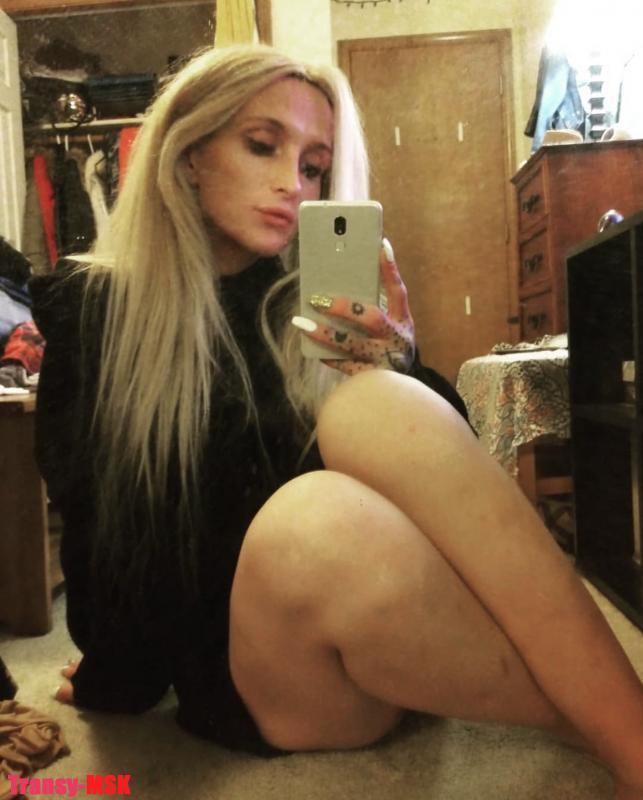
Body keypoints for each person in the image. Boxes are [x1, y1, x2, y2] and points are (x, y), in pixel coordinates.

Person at [30, 44, 643, 798]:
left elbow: (450, 492)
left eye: (315, 166)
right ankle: (618, 726)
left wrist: (399, 361)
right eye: (262, 146)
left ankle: (625, 734)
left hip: (380, 618)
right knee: (312, 518)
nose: (293, 183)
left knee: (371, 403)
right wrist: (113, 678)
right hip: (265, 671)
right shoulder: (97, 313)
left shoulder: (313, 302)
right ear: (189, 156)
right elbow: (100, 534)